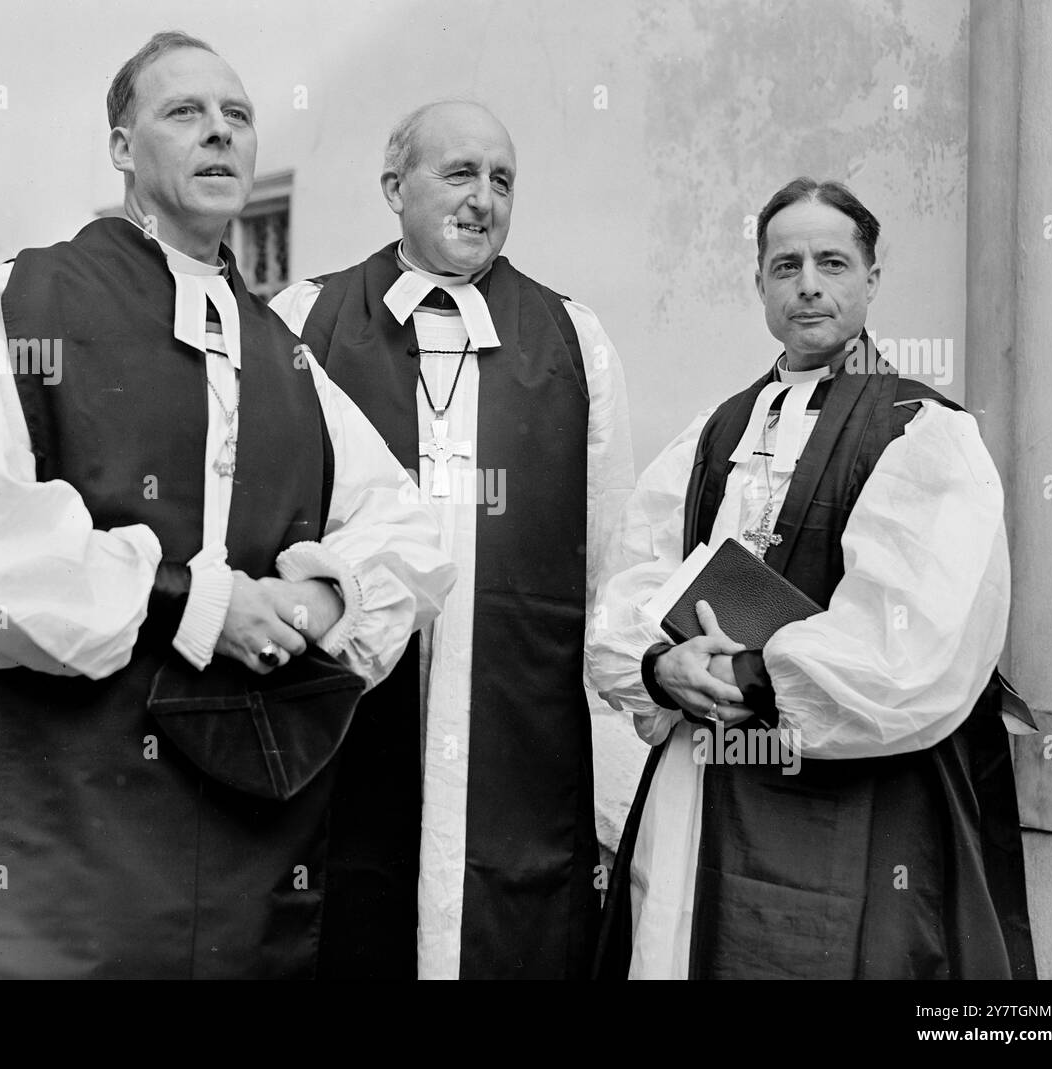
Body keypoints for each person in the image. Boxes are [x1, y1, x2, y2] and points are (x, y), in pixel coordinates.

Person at [0, 30, 455, 980]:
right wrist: (195, 601)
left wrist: (316, 601)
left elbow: (404, 527)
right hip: (60, 810)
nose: (220, 134)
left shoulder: (286, 351)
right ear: (122, 147)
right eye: (185, 112)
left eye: (238, 116)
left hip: (242, 827)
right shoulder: (28, 299)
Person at [586, 178, 1036, 980]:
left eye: (833, 261)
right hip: (698, 783)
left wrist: (749, 676)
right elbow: (631, 590)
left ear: (871, 276)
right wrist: (660, 666)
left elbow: (911, 648)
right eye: (785, 264)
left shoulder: (921, 431)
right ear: (760, 281)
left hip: (851, 789)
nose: (809, 283)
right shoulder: (716, 429)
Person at [270, 100, 635, 979]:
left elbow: (611, 554)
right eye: (458, 174)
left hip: (517, 716)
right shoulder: (304, 318)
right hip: (349, 705)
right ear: (395, 186)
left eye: (501, 180)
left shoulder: (573, 339)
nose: (483, 199)